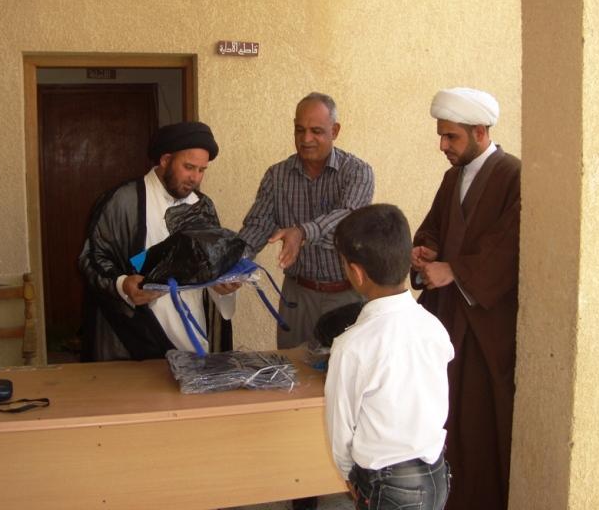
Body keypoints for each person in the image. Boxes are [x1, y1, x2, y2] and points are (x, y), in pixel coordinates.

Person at [411, 87, 521, 510]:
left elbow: (508, 247)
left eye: (451, 136)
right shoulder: (452, 178)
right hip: (447, 319)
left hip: (483, 329)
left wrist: (455, 270)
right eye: (441, 136)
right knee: (444, 418)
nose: (443, 145)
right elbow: (435, 228)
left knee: (478, 426)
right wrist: (426, 251)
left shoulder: (513, 176)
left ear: (479, 132)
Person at [325, 203, 454, 510]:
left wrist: (350, 476)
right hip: (436, 475)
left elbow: (340, 429)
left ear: (357, 273)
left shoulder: (351, 346)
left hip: (389, 485)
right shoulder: (433, 326)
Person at [78, 121, 237, 361]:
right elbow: (91, 258)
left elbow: (211, 264)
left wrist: (221, 285)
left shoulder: (203, 206)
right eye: (188, 167)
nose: (195, 178)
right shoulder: (122, 201)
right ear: (165, 160)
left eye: (202, 170)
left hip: (194, 339)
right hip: (135, 340)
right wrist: (122, 285)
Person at [238, 92, 375, 350]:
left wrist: (302, 232)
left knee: (345, 371)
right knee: (293, 369)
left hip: (347, 296)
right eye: (299, 130)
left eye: (316, 131)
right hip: (297, 297)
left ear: (335, 130)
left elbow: (348, 218)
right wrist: (233, 265)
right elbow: (258, 226)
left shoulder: (357, 172)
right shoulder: (277, 176)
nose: (306, 139)